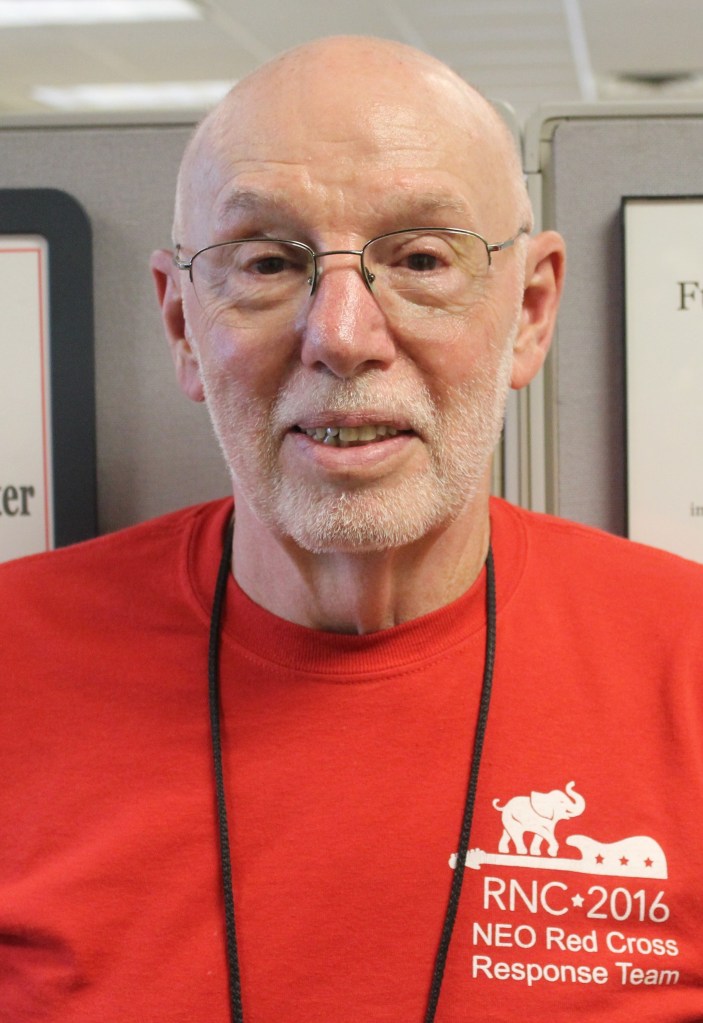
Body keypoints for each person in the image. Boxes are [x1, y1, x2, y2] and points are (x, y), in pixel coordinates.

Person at [1, 34, 702, 1023]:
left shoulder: (687, 662)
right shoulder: (14, 657)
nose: (340, 334)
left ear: (530, 312)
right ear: (182, 326)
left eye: (420, 258)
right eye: (266, 261)